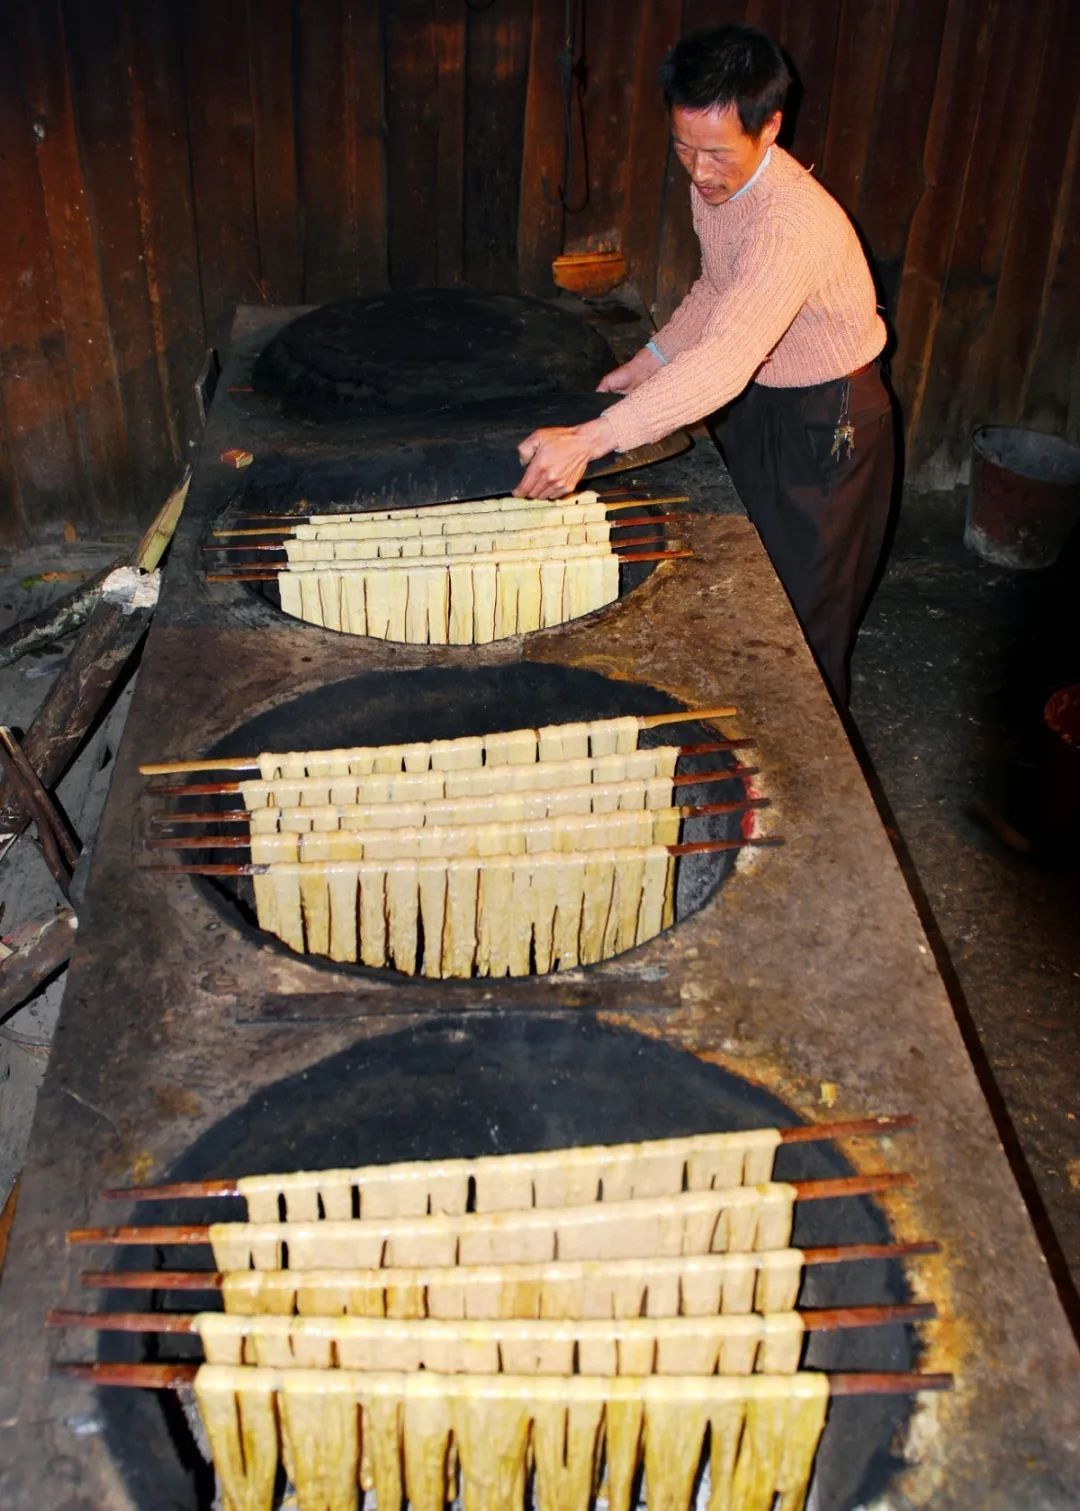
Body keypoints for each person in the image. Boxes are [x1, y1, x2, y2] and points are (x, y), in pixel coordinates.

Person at [515, 24, 895, 705]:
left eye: (717, 152)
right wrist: (650, 360)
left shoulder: (789, 225)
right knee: (743, 582)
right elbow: (718, 290)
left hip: (828, 422)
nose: (699, 170)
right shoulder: (718, 184)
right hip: (763, 397)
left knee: (802, 628)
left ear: (771, 127)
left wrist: (595, 436)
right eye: (684, 147)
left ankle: (802, 777)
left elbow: (726, 356)